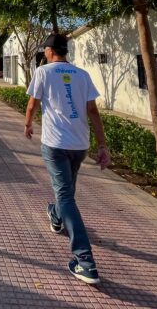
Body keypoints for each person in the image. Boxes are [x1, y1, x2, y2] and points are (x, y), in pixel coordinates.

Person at [24, 33, 110, 285]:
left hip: (55, 145)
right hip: (79, 145)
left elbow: (32, 104)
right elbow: (92, 110)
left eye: (44, 51)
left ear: (50, 51)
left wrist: (28, 124)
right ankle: (55, 215)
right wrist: (102, 145)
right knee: (66, 192)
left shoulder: (43, 72)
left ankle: (85, 262)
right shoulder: (82, 75)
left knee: (65, 195)